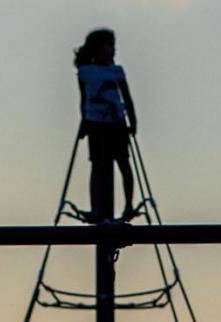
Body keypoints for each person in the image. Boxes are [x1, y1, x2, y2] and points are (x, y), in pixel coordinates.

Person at [74, 28, 137, 223]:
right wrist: (84, 122)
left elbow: (126, 97)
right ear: (98, 48)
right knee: (98, 167)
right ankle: (96, 208)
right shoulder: (85, 72)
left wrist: (132, 121)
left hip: (116, 123)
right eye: (110, 45)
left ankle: (128, 205)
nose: (113, 50)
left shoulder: (116, 72)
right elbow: (84, 100)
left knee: (124, 163)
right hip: (96, 125)